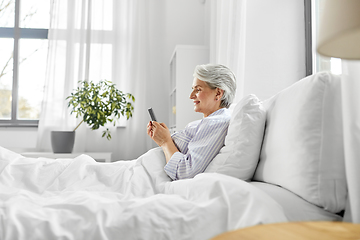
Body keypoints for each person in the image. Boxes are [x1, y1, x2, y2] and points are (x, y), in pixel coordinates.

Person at [147, 64, 237, 180]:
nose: (191, 96)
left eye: (198, 89)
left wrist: (165, 141)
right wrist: (161, 138)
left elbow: (185, 172)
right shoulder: (206, 122)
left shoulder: (216, 123)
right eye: (192, 89)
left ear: (218, 93)